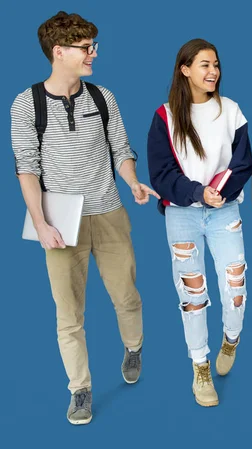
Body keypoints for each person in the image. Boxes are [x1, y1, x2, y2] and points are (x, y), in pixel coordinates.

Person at [10, 11, 157, 425]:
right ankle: (80, 389)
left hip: (108, 210)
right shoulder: (27, 103)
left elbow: (120, 149)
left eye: (94, 45)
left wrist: (131, 182)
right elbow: (27, 167)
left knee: (126, 296)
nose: (94, 53)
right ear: (59, 52)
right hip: (60, 220)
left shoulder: (102, 97)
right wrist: (40, 223)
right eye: (86, 47)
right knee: (68, 313)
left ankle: (133, 346)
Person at [147, 38, 252, 407]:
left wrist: (217, 193)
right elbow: (160, 174)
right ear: (185, 69)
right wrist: (196, 193)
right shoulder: (166, 117)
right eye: (205, 65)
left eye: (217, 65)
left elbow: (243, 164)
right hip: (182, 215)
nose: (213, 72)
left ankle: (231, 338)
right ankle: (200, 366)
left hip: (224, 211)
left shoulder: (232, 111)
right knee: (191, 296)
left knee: (235, 286)